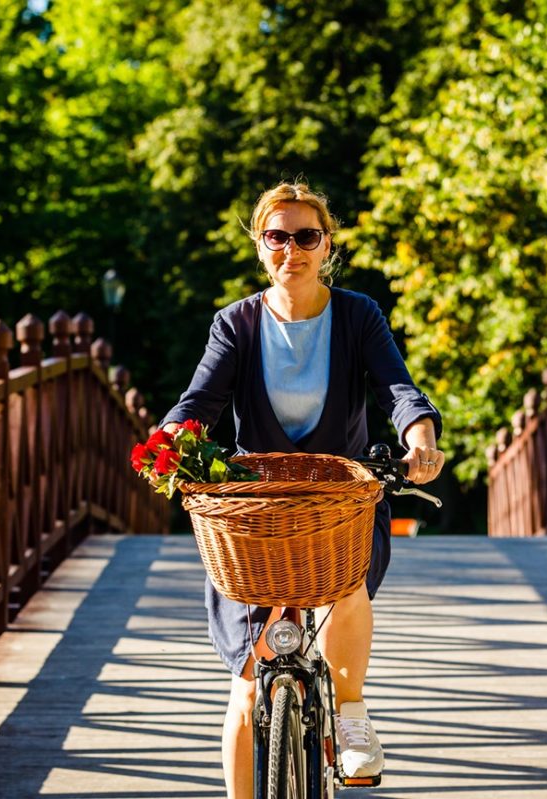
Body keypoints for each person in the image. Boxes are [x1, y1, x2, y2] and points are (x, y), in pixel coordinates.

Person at [159, 180, 444, 799]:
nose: (293, 249)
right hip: (255, 514)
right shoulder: (234, 323)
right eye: (278, 237)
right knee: (246, 684)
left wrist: (419, 440)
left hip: (336, 503)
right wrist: (168, 445)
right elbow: (199, 403)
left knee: (344, 584)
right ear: (261, 247)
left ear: (327, 245)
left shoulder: (358, 315)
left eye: (306, 236)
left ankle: (350, 712)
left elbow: (397, 389)